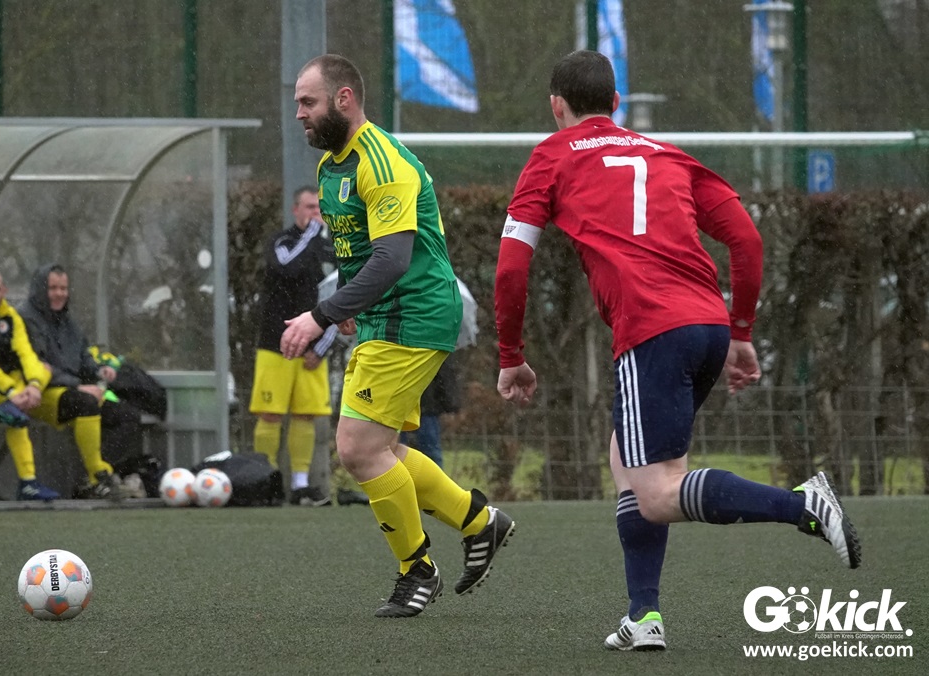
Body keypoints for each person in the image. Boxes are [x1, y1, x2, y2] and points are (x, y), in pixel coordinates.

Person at [493, 50, 861, 650]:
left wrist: (511, 353)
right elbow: (746, 239)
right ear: (616, 103)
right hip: (707, 325)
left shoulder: (552, 155)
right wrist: (741, 332)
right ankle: (644, 616)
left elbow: (511, 266)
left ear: (556, 106)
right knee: (627, 459)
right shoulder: (666, 154)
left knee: (661, 492)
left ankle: (803, 505)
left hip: (651, 331)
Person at [283, 53, 516, 617]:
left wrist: (321, 314)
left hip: (414, 313)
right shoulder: (332, 166)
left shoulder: (382, 161)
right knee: (379, 448)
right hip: (384, 316)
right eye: (297, 104)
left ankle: (417, 570)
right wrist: (348, 304)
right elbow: (360, 251)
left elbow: (392, 258)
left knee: (357, 449)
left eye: (308, 102)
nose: (299, 113)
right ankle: (479, 522)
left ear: (344, 99)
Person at [0, 270, 116, 501]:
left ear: (4, 291)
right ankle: (27, 483)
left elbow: (27, 355)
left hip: (7, 388)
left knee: (84, 402)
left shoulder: (10, 316)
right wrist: (12, 392)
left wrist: (33, 385)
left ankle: (97, 478)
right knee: (13, 413)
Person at [250, 186, 337, 507]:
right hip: (276, 344)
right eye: (309, 207)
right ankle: (265, 479)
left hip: (312, 349)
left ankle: (300, 485)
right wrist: (311, 235)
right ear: (295, 209)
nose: (315, 214)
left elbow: (338, 296)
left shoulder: (329, 248)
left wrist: (323, 345)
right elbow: (285, 267)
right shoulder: (281, 241)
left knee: (305, 415)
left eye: (319, 209)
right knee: (270, 413)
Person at [18, 263, 133, 498]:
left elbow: (83, 356)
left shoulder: (67, 320)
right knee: (85, 402)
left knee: (126, 416)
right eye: (53, 288)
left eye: (63, 288)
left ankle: (96, 476)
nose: (59, 294)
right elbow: (38, 366)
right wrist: (78, 386)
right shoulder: (26, 318)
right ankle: (96, 477)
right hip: (37, 392)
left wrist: (99, 371)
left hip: (71, 391)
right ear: (40, 289)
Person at [398, 356, 461, 468]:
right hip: (413, 406)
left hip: (421, 407)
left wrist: (450, 406)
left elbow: (444, 373)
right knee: (428, 450)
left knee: (397, 451)